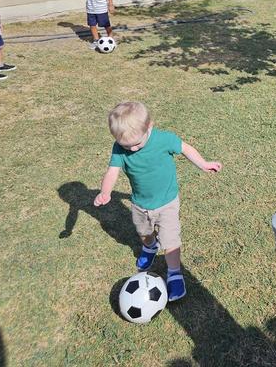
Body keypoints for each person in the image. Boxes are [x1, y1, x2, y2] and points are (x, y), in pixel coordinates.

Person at [94, 102, 222, 301]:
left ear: (149, 127)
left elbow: (185, 149)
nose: (132, 148)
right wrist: (106, 192)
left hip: (167, 203)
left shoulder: (163, 139)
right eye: (127, 145)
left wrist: (203, 164)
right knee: (144, 233)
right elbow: (112, 171)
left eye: (136, 143)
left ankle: (174, 273)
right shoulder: (120, 147)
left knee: (170, 241)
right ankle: (150, 246)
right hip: (139, 204)